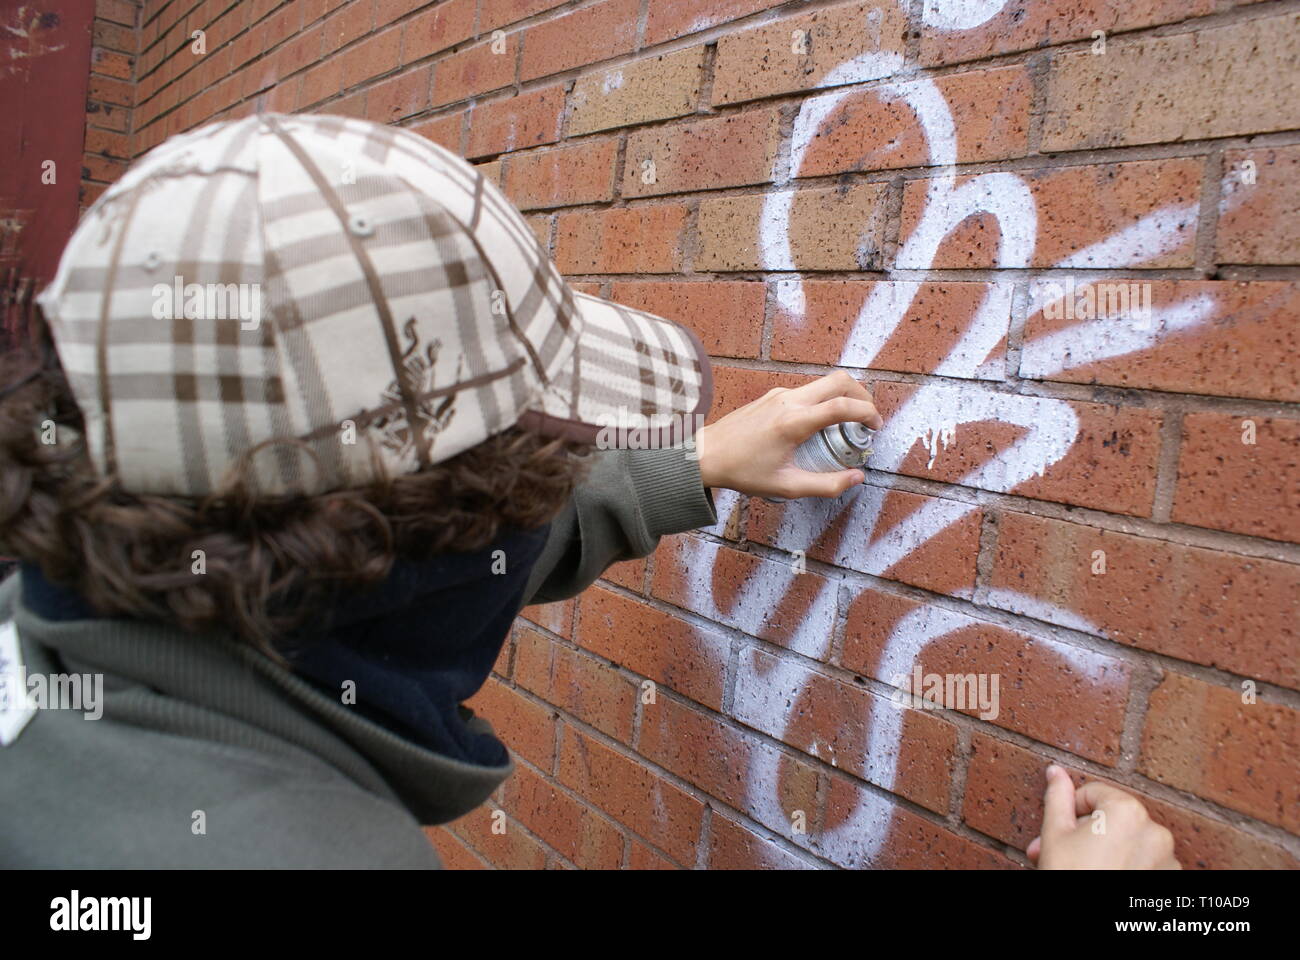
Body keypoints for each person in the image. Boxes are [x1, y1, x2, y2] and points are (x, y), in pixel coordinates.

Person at [0, 114, 1177, 869]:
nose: (530, 506)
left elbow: (393, 546)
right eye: (524, 472)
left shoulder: (70, 633)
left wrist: (688, 467)